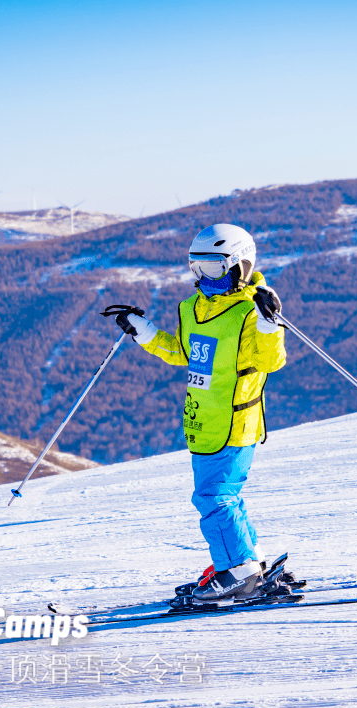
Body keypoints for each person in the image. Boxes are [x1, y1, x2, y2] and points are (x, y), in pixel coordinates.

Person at [113, 224, 286, 602]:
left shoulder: (250, 310)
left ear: (240, 265)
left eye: (213, 268)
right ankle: (249, 561)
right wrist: (144, 332)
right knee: (225, 495)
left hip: (236, 421)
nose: (203, 278)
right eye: (196, 268)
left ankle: (238, 572)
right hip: (201, 421)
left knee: (214, 497)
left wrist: (269, 324)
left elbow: (270, 361)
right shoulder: (191, 309)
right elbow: (185, 354)